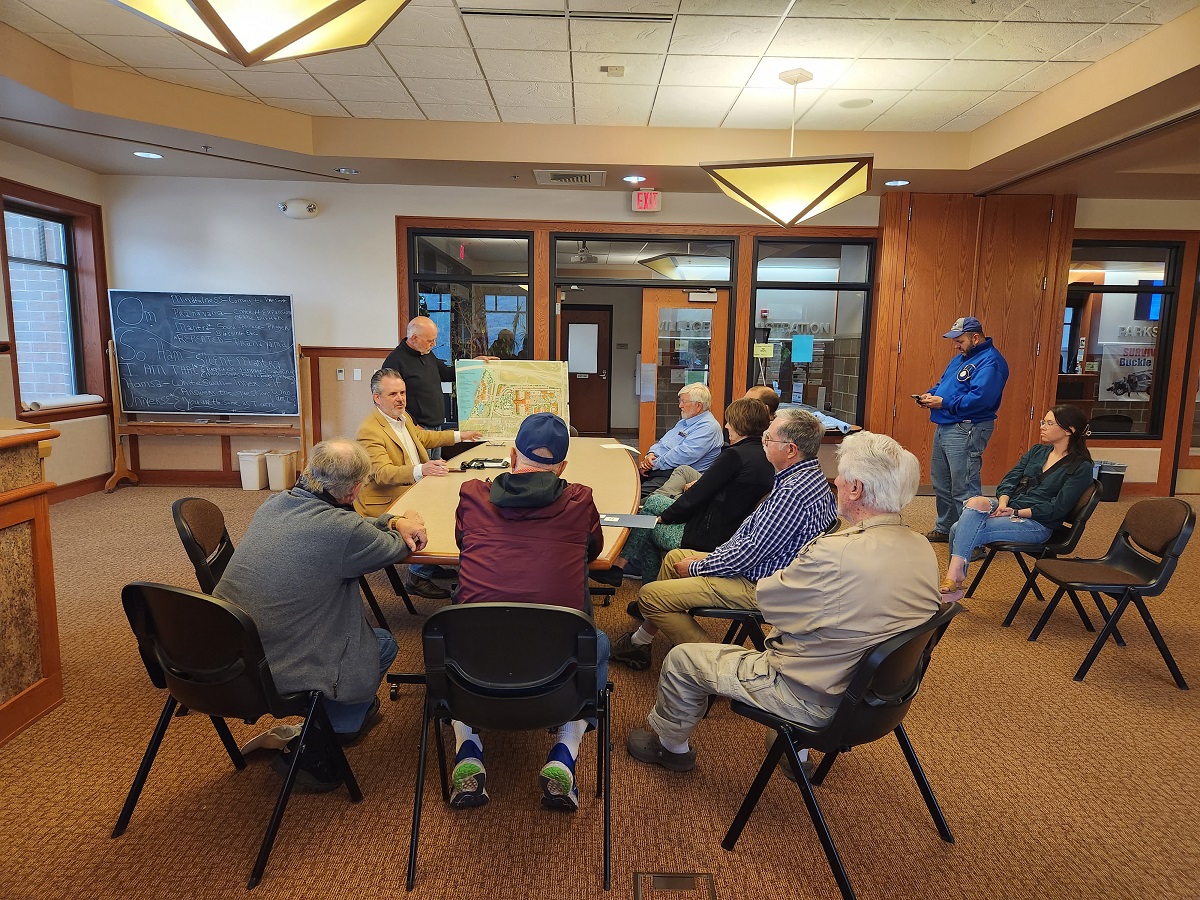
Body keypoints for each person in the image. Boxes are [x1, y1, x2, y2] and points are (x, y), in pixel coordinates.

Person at [625, 431, 942, 774]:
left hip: (815, 699)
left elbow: (772, 605)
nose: (835, 481)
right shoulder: (922, 548)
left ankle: (670, 747)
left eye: (842, 477)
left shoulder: (836, 553)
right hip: (880, 700)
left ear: (856, 490)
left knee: (682, 660)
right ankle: (795, 751)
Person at [213, 439, 428, 790]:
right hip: (277, 670)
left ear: (308, 471)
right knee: (384, 643)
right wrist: (409, 520)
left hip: (225, 659)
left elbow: (355, 527)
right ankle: (323, 738)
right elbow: (399, 546)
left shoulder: (274, 503)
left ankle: (336, 717)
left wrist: (391, 518)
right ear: (356, 488)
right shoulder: (343, 532)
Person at [448, 413, 610, 812]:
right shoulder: (580, 499)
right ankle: (564, 751)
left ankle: (468, 746)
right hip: (557, 678)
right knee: (598, 640)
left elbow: (461, 540)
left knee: (452, 631)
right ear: (563, 468)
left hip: (473, 674)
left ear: (511, 455)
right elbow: (592, 552)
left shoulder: (472, 494)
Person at [611, 409, 837, 670]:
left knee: (650, 596)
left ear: (790, 450)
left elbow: (748, 553)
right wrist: (706, 560)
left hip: (761, 586)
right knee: (674, 557)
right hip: (769, 572)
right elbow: (752, 541)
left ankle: (719, 666)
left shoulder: (791, 494)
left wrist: (698, 566)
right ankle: (640, 642)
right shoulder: (810, 479)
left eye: (769, 439)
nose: (763, 441)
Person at [592, 397, 774, 586]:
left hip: (709, 532)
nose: (726, 426)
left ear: (739, 424)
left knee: (649, 523)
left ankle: (644, 587)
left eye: (729, 422)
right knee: (652, 508)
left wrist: (666, 518)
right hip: (730, 527)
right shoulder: (764, 454)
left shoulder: (735, 456)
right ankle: (629, 575)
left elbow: (698, 496)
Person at [939, 404, 1094, 599]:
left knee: (957, 528)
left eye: (1049, 423)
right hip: (1010, 508)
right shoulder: (1038, 451)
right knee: (976, 502)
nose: (1042, 427)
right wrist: (1003, 503)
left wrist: (1015, 512)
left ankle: (955, 579)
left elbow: (1057, 508)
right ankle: (956, 578)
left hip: (1037, 523)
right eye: (1043, 422)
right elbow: (1009, 480)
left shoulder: (1081, 467)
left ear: (1069, 430)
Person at [354, 368, 482, 599]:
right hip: (388, 500)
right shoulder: (369, 430)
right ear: (377, 398)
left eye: (402, 392)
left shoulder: (402, 418)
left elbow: (423, 437)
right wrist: (422, 469)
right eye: (393, 394)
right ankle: (418, 576)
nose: (400, 398)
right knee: (441, 509)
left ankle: (430, 564)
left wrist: (460, 436)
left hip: (412, 486)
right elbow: (382, 473)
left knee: (455, 498)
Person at [917, 316, 1009, 543]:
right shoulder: (961, 358)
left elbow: (980, 400)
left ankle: (972, 541)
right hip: (946, 425)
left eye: (959, 340)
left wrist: (944, 403)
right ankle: (947, 528)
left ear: (975, 337)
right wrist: (930, 395)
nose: (956, 345)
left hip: (967, 428)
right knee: (942, 483)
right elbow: (943, 384)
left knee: (964, 487)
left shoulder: (991, 362)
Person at [638, 383, 724, 497]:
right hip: (663, 469)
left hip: (677, 477)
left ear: (698, 405)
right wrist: (650, 454)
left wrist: (652, 465)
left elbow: (682, 456)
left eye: (684, 402)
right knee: (625, 481)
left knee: (633, 493)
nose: (680, 406)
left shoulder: (708, 427)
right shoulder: (684, 422)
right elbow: (663, 443)